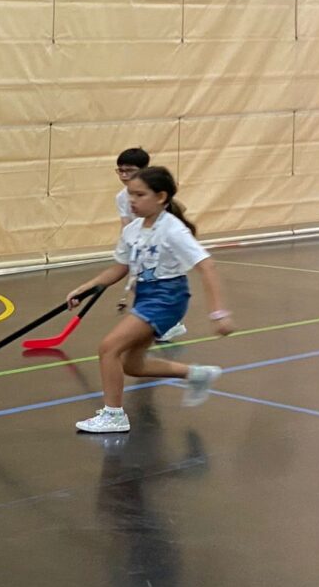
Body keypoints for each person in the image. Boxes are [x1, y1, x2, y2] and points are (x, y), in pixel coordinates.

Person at [65, 166, 233, 434]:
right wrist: (84, 289)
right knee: (132, 365)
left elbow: (207, 266)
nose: (132, 200)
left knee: (109, 348)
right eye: (130, 194)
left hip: (167, 297)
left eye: (140, 195)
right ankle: (196, 374)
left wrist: (218, 313)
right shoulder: (132, 230)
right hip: (145, 295)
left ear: (161, 197)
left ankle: (114, 416)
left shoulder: (172, 230)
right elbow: (119, 268)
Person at [112, 148, 181, 342]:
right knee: (140, 285)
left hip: (157, 248)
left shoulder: (155, 196)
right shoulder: (121, 197)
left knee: (153, 284)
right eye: (120, 170)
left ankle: (167, 324)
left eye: (129, 170)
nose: (124, 175)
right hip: (139, 245)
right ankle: (157, 324)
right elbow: (126, 223)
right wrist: (127, 248)